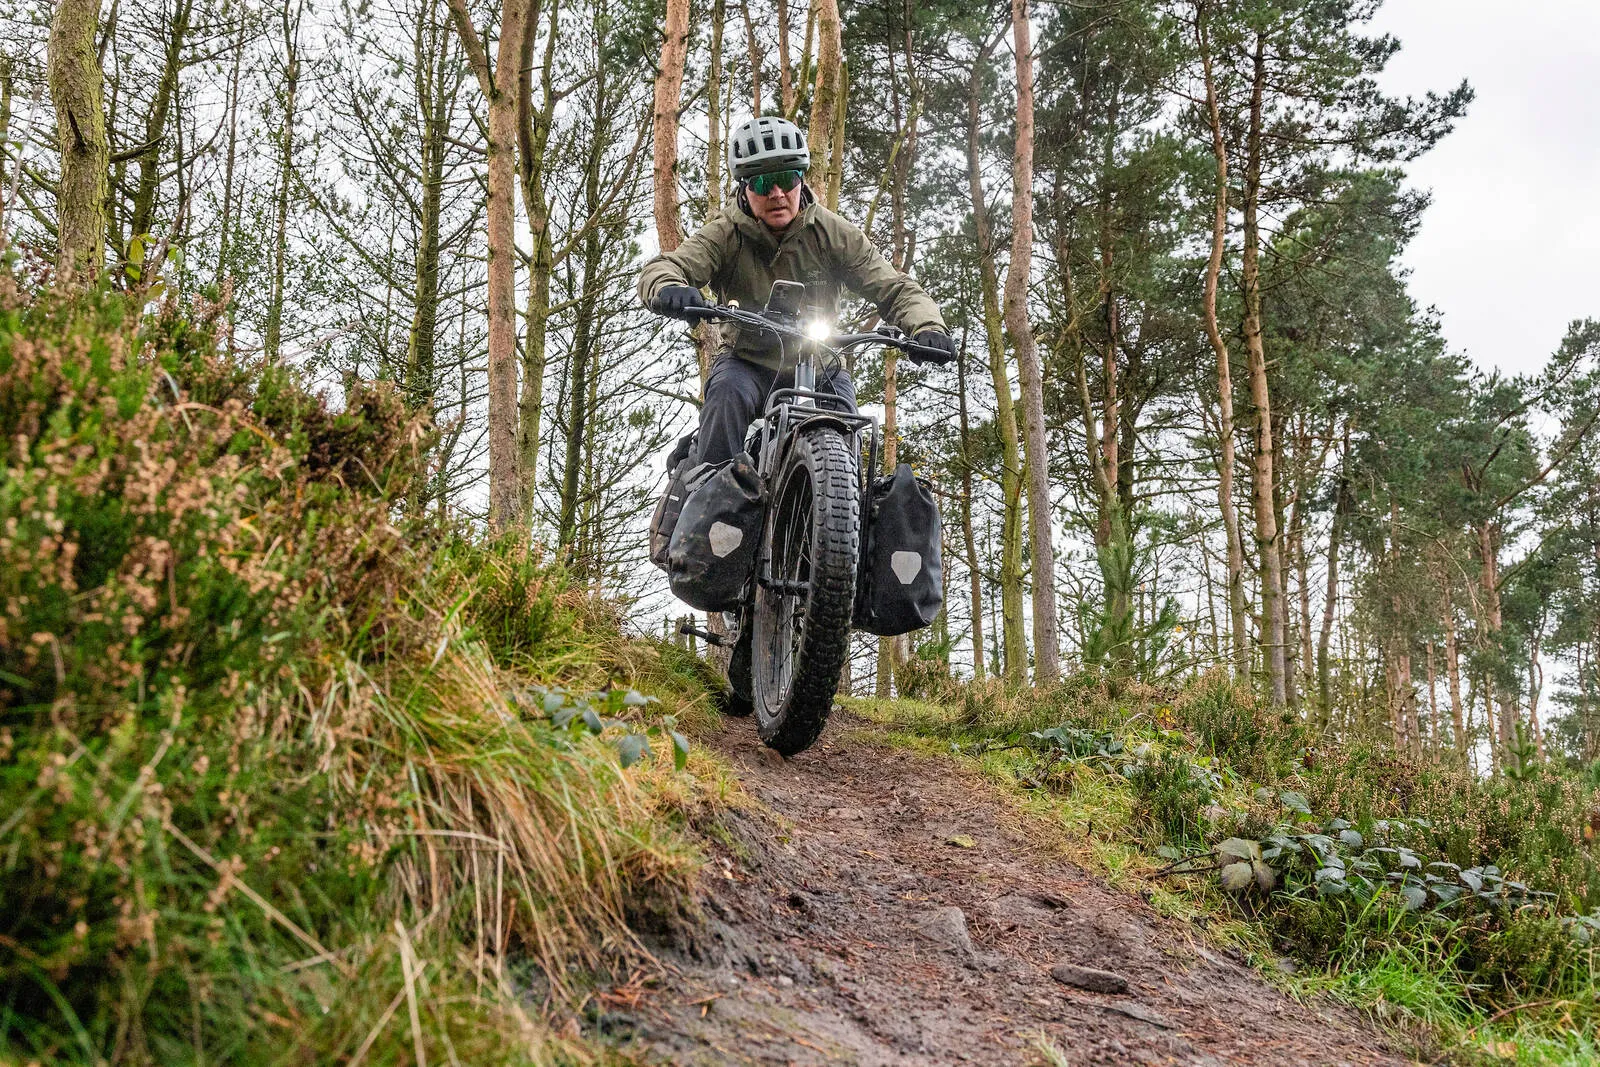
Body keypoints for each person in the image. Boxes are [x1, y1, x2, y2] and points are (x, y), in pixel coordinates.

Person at [638, 115, 956, 468]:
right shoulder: (725, 233)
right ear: (745, 186)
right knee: (726, 398)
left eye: (787, 179)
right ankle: (711, 508)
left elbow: (894, 288)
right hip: (748, 362)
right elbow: (666, 267)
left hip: (820, 363)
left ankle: (843, 513)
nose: (777, 194)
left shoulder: (832, 233)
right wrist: (669, 288)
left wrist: (927, 327)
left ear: (800, 179)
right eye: (763, 182)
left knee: (847, 429)